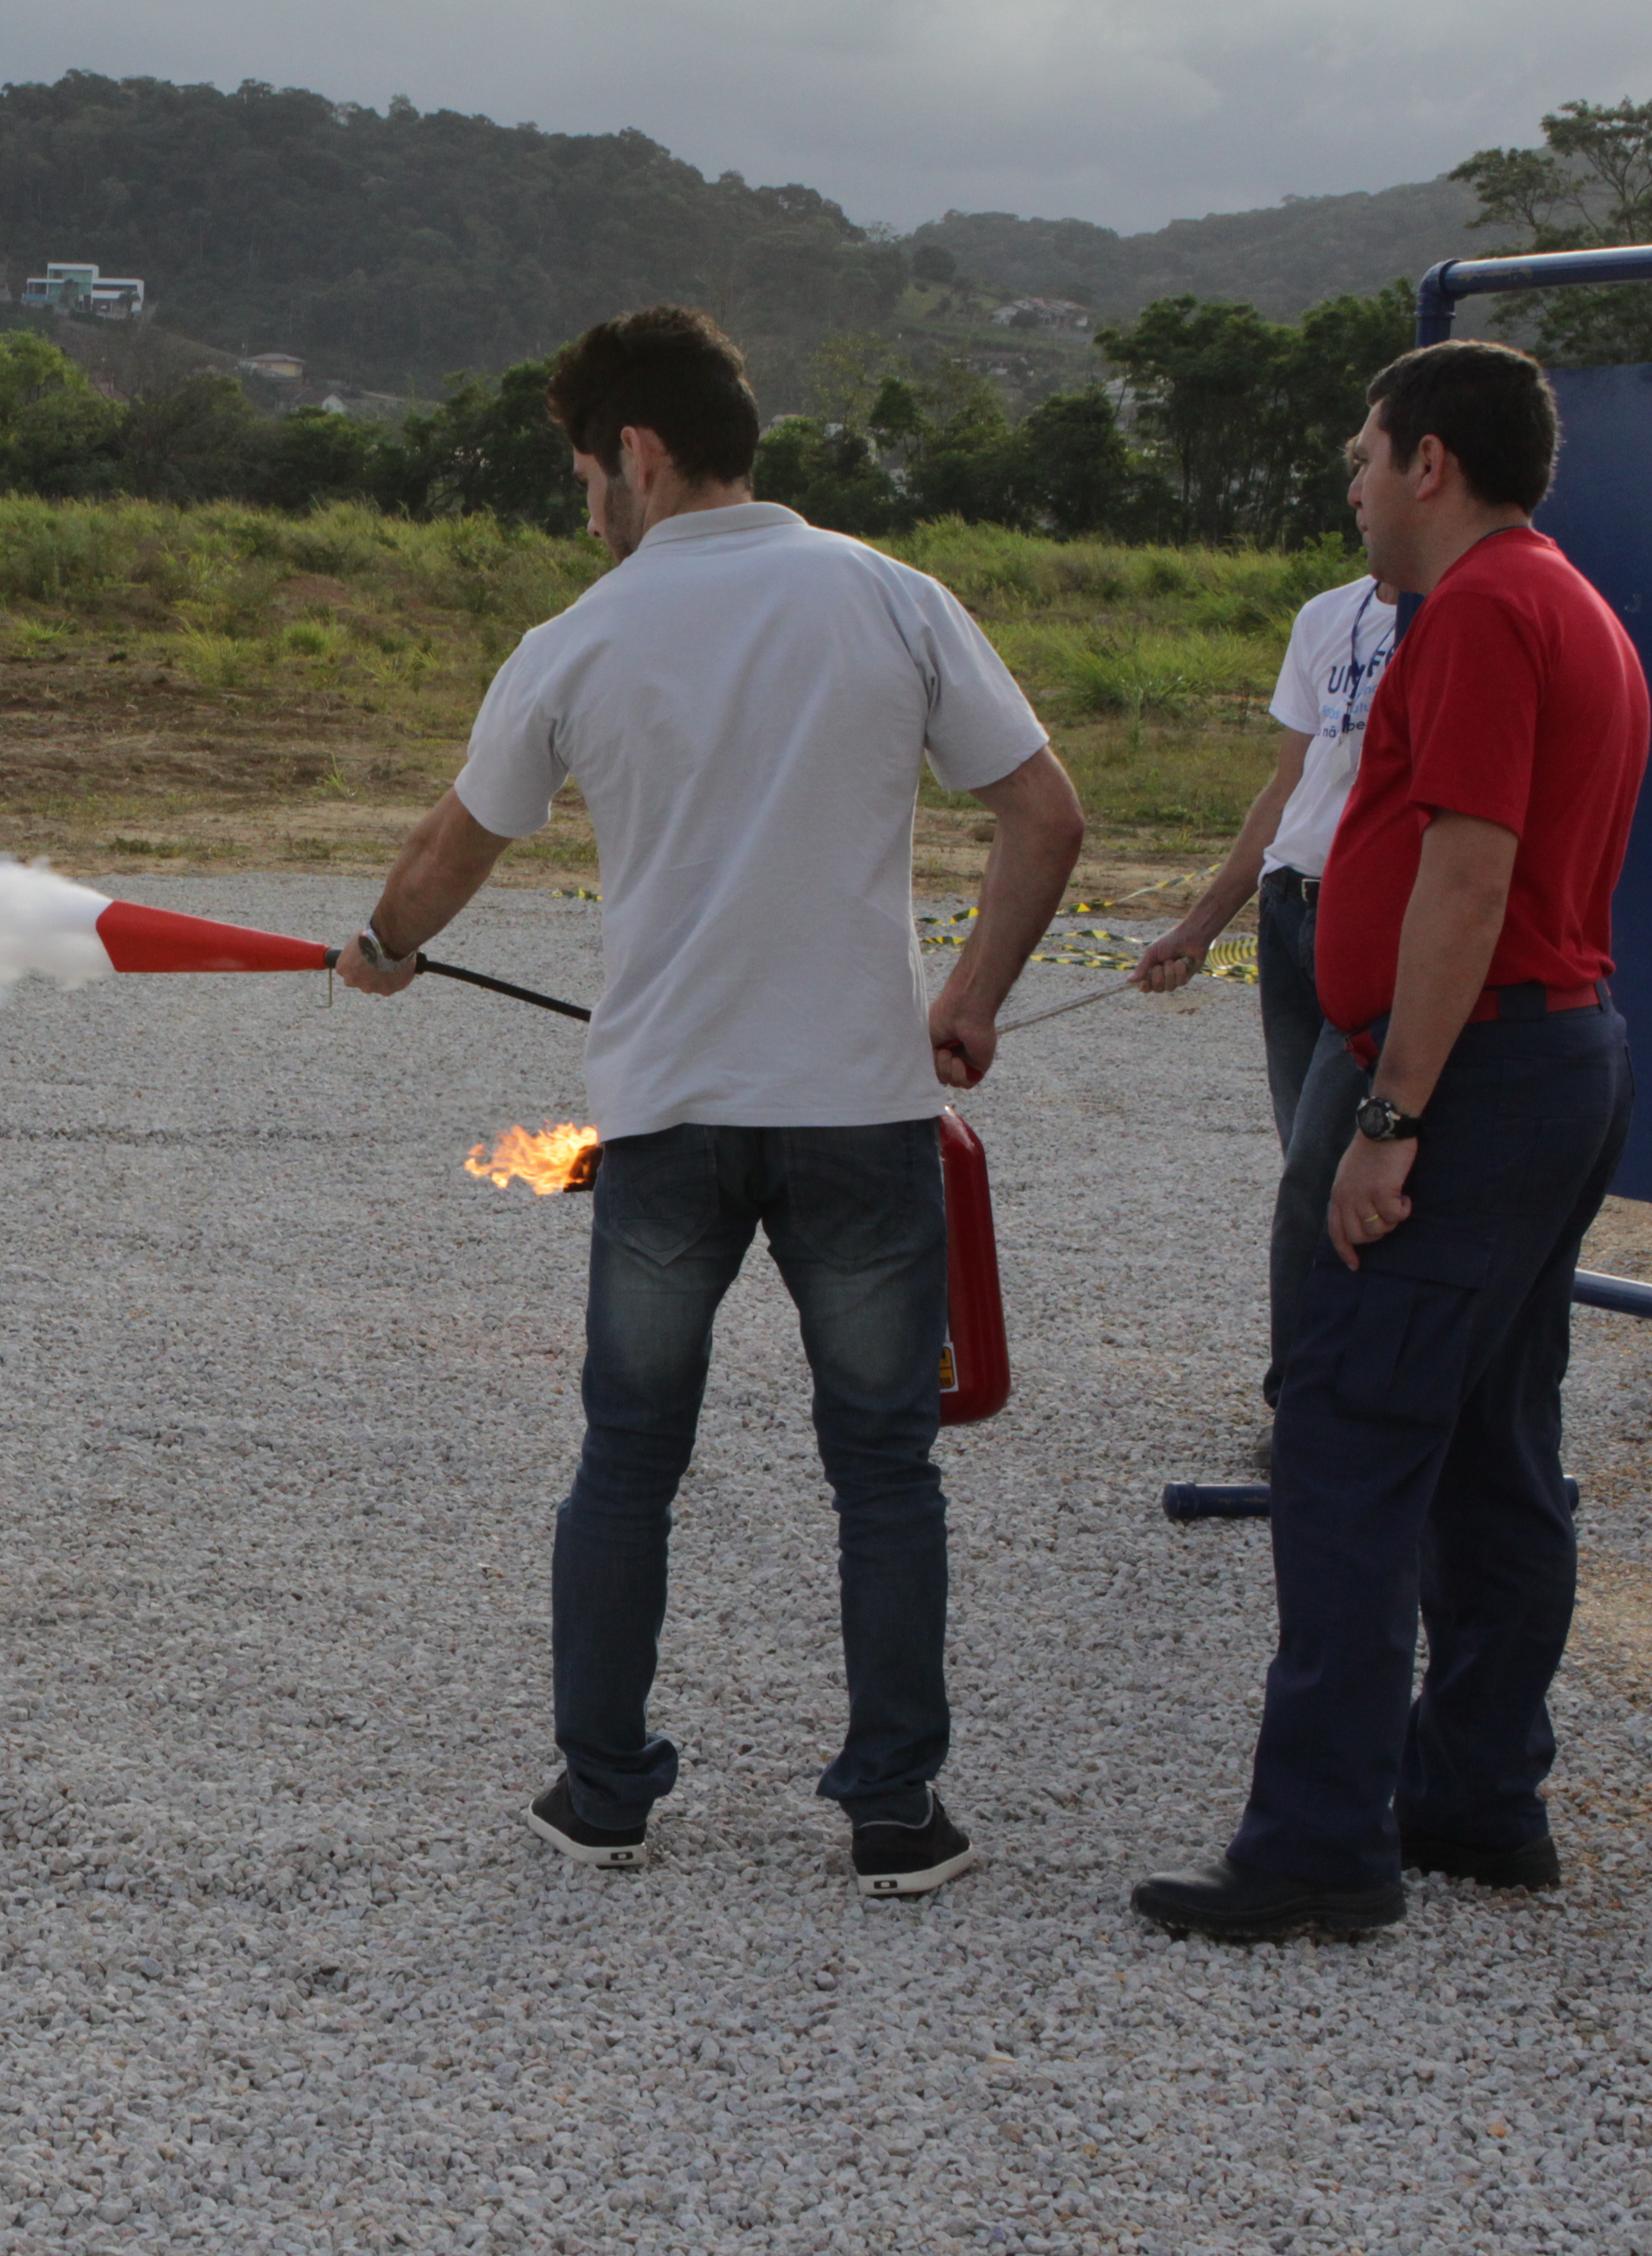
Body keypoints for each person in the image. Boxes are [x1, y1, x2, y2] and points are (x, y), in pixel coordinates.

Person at [336, 306, 1085, 1897]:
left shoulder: (580, 641)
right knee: (883, 1469)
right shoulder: (893, 599)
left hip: (667, 1120)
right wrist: (970, 1001)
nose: (585, 502)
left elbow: (449, 850)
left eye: (586, 471)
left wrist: (389, 949)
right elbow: (1046, 815)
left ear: (642, 456)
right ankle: (895, 1814)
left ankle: (606, 1795)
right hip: (861, 1112)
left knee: (630, 1459)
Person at [1134, 339, 1647, 1940]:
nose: (1351, 486)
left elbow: (1467, 879)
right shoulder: (1561, 601)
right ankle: (1476, 1801)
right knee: (1494, 1443)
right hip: (1550, 1060)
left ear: (1430, 462)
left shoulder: (1486, 611)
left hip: (1480, 1071)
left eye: (1363, 457)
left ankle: (1318, 1848)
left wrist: (1389, 1115)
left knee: (1350, 1443)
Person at [1132, 572, 1399, 1441]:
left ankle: (1309, 1416)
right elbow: (1289, 788)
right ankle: (1341, 1393)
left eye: (1371, 463)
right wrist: (1202, 926)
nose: (1358, 488)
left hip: (1380, 916)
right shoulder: (1327, 615)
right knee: (1311, 1163)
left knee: (1318, 1178)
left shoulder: (1460, 612)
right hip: (1293, 912)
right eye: (1352, 466)